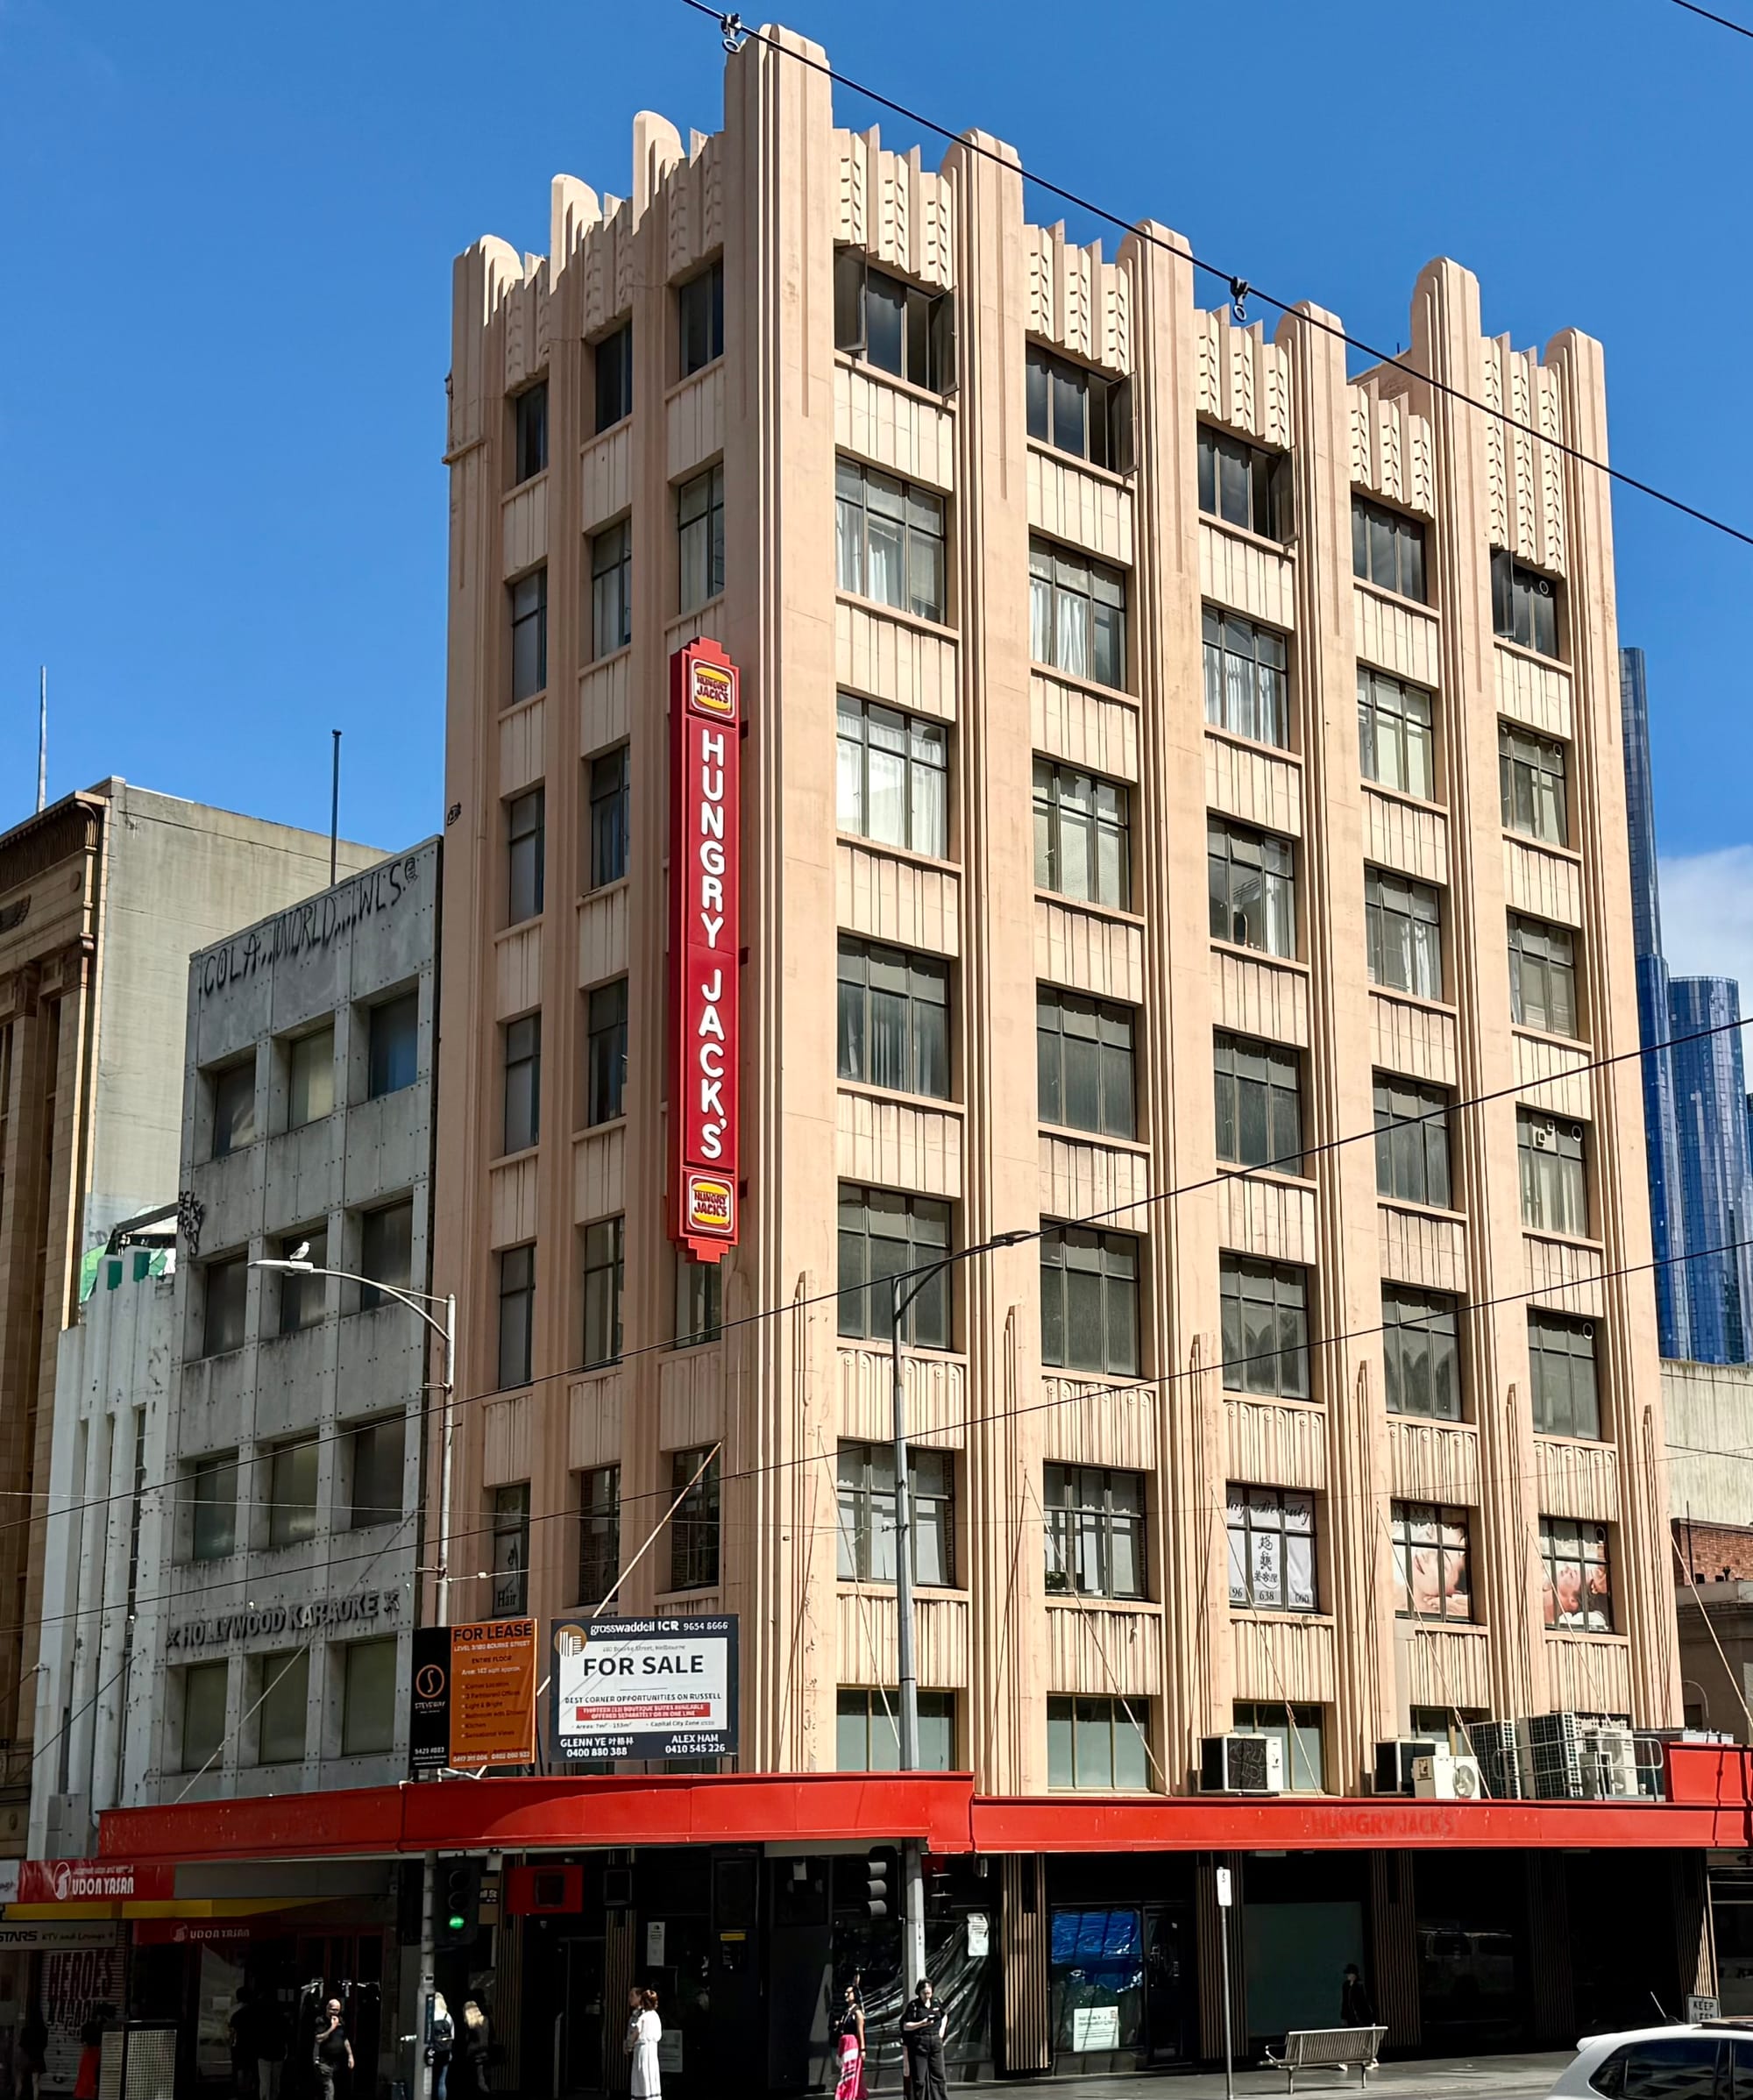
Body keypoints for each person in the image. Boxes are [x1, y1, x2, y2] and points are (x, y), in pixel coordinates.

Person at [899, 1979, 947, 2100]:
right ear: (919, 1993)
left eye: (929, 1993)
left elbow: (944, 2015)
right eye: (924, 1993)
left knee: (938, 2075)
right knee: (919, 2078)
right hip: (920, 2043)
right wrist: (922, 2024)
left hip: (935, 2041)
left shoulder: (936, 2003)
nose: (926, 1996)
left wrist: (941, 2031)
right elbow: (905, 2025)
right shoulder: (914, 2006)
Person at [311, 1999, 353, 2100]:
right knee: (329, 2089)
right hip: (324, 2062)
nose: (335, 2013)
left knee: (338, 2089)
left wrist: (350, 2056)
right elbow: (318, 2039)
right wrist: (332, 2027)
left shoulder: (341, 2021)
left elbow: (345, 2039)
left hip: (338, 2062)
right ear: (327, 2008)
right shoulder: (320, 2021)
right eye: (333, 2010)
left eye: (337, 2010)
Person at [625, 1987, 661, 2100]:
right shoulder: (656, 2016)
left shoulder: (643, 2017)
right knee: (652, 2076)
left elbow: (636, 2033)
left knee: (642, 2075)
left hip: (642, 2050)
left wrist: (628, 2045)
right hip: (652, 2050)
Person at [832, 1983, 865, 2100]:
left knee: (849, 2073)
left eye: (849, 1992)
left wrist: (862, 2049)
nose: (846, 1994)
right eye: (846, 1992)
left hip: (852, 2044)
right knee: (845, 2071)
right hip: (844, 2043)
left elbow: (860, 2031)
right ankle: (848, 2095)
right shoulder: (847, 2012)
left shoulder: (857, 2012)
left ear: (854, 1995)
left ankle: (848, 2095)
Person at [452, 1999, 490, 2100]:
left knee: (473, 2078)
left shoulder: (470, 2024)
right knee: (482, 2076)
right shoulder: (486, 2020)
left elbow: (467, 2040)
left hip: (472, 2053)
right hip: (484, 2051)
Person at [427, 1991, 454, 2100]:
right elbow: (452, 2036)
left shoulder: (431, 2016)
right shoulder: (448, 2017)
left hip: (433, 2052)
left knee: (432, 2079)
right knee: (442, 2081)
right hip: (446, 2052)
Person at [1340, 1963, 1376, 2028]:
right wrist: (1343, 2017)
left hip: (1360, 2015)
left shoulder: (1359, 1985)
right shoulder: (1346, 1986)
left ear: (1354, 1974)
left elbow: (1365, 2001)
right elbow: (1345, 2002)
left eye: (1349, 1974)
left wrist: (1371, 2019)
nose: (1348, 1975)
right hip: (1350, 2016)